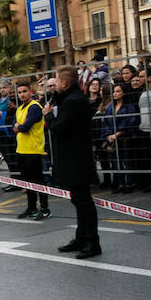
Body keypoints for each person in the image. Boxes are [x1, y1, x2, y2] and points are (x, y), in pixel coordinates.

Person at [51, 66, 101, 259]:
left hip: (77, 159)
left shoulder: (74, 101)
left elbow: (59, 127)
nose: (54, 84)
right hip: (72, 159)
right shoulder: (69, 98)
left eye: (56, 81)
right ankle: (81, 238)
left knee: (84, 202)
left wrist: (48, 115)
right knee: (78, 201)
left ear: (64, 82)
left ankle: (92, 241)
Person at [13, 81, 51, 219]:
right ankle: (31, 208)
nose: (22, 94)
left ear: (31, 92)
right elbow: (14, 126)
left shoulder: (34, 107)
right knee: (27, 182)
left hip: (33, 150)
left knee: (38, 181)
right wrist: (18, 126)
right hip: (22, 149)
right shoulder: (20, 109)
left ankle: (45, 208)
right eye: (20, 92)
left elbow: (24, 127)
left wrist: (19, 126)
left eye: (24, 91)